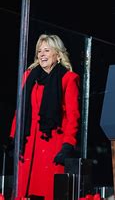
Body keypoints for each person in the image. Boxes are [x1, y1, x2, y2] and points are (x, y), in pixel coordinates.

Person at [9, 34, 81, 199]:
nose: (42, 54)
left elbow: (73, 116)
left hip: (52, 144)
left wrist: (68, 145)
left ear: (57, 54)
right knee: (23, 192)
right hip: (28, 144)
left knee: (47, 191)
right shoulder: (29, 77)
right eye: (39, 51)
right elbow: (20, 110)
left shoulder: (68, 79)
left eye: (47, 50)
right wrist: (14, 138)